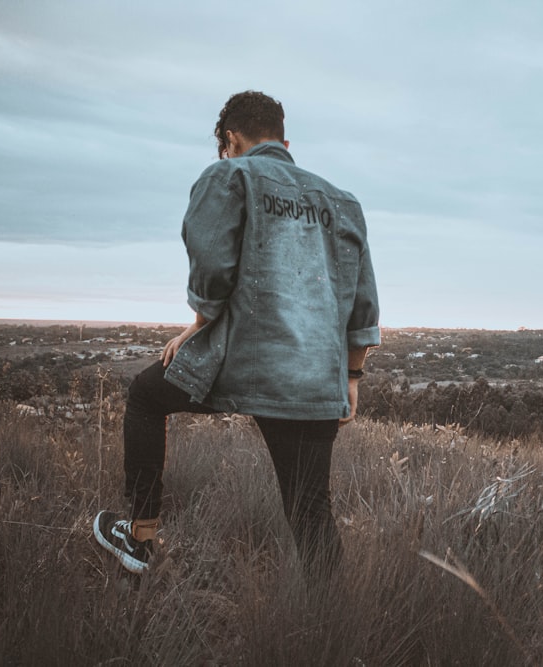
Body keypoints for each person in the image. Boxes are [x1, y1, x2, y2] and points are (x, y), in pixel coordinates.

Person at [93, 91, 380, 577]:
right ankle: (333, 630)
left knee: (145, 396)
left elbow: (214, 270)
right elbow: (362, 302)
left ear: (230, 140)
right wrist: (351, 378)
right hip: (312, 379)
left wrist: (197, 327)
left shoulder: (228, 175)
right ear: (284, 140)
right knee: (311, 513)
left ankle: (139, 539)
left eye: (223, 146)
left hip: (241, 363)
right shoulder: (342, 202)